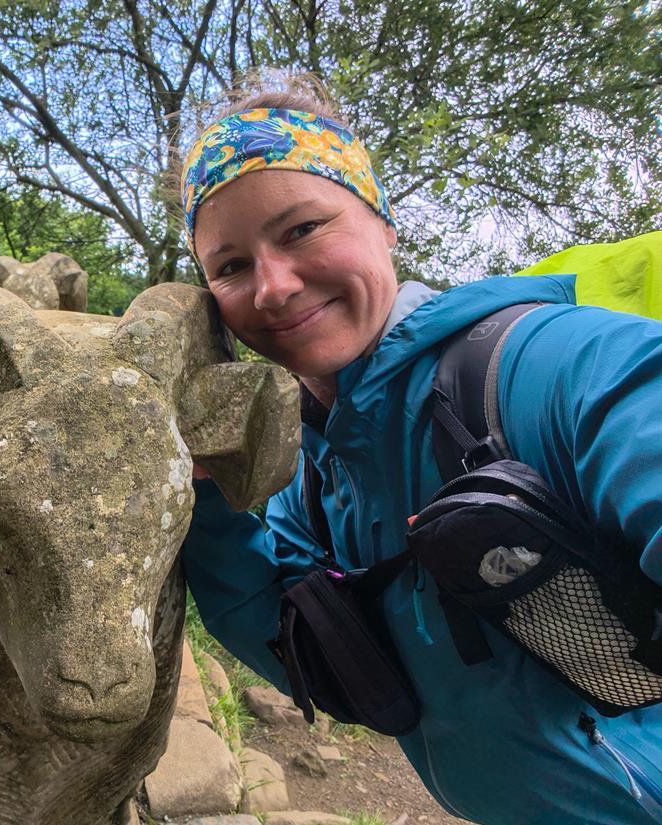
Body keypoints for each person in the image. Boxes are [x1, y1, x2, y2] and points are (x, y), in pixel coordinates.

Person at [177, 73, 662, 824]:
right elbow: (292, 637)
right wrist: (208, 495)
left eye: (302, 229)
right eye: (231, 265)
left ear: (384, 224)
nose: (272, 287)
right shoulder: (314, 470)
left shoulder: (539, 368)